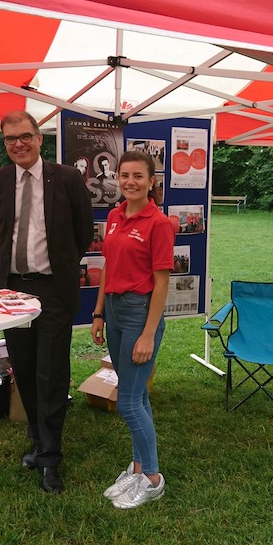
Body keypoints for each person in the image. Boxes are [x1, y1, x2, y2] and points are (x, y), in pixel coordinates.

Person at [0, 110, 92, 494]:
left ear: (39, 138)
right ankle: (37, 436)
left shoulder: (67, 178)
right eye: (11, 138)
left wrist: (57, 267)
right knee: (25, 370)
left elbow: (83, 233)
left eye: (25, 136)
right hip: (13, 292)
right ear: (5, 143)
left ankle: (49, 457)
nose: (19, 144)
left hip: (53, 291)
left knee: (51, 372)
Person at [90, 150, 175, 509]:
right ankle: (138, 468)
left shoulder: (159, 224)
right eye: (124, 175)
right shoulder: (114, 216)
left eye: (138, 176)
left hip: (140, 314)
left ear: (151, 181)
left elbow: (162, 282)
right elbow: (108, 266)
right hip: (113, 309)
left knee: (127, 402)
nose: (130, 182)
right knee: (136, 396)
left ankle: (153, 479)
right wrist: (98, 313)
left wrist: (148, 334)